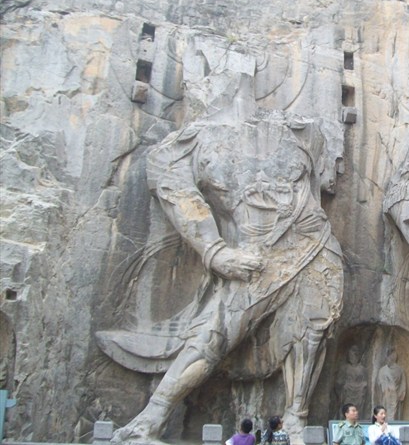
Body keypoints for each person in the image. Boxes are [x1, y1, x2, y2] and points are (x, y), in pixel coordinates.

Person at [98, 100, 344, 441]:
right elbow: (171, 186)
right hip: (256, 256)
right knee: (212, 335)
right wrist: (214, 251)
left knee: (311, 333)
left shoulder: (302, 131)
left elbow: (323, 181)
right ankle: (152, 417)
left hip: (314, 244)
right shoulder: (195, 141)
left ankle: (295, 419)